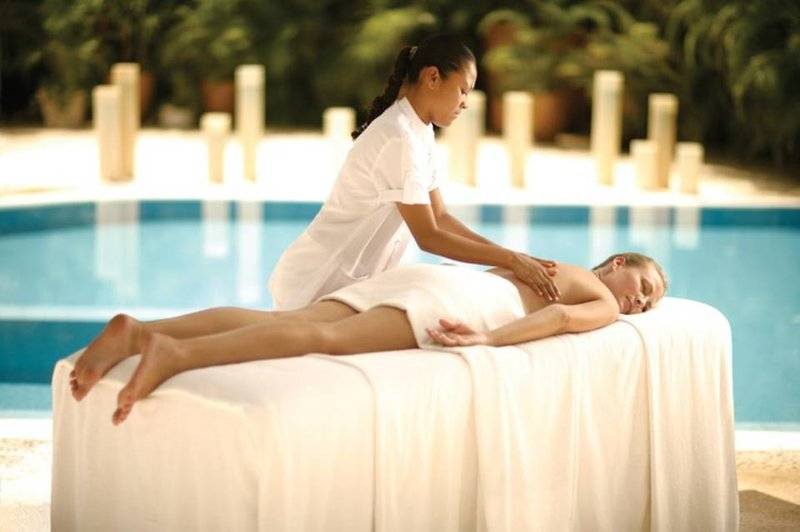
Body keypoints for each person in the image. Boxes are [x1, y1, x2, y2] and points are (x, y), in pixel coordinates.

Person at [69, 252, 667, 425]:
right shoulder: (598, 298)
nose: (639, 303)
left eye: (649, 303)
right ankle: (176, 354)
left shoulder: (556, 265)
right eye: (642, 286)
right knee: (321, 338)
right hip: (460, 300)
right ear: (617, 264)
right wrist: (490, 339)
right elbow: (558, 321)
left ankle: (139, 332)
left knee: (282, 319)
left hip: (429, 277)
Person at [268, 34, 561, 310]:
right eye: (462, 90)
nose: (465, 103)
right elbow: (429, 236)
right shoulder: (398, 137)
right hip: (316, 280)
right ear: (432, 77)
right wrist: (511, 260)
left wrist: (514, 258)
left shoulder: (419, 131)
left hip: (344, 284)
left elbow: (440, 217)